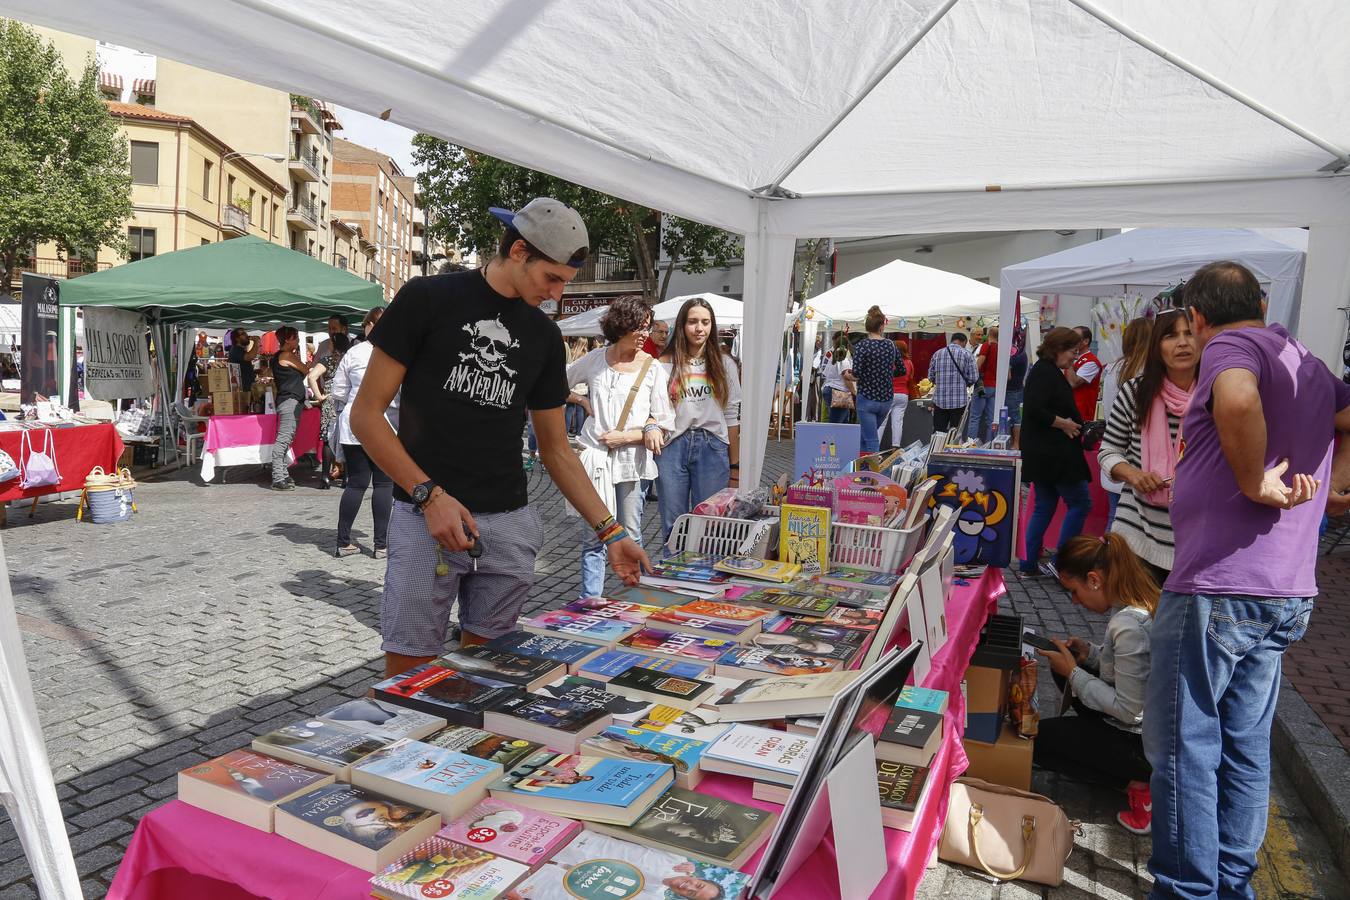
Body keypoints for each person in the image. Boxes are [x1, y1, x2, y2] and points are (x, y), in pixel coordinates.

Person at [351, 197, 649, 675]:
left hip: (509, 521)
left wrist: (611, 532)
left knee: (487, 674)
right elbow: (365, 416)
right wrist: (429, 496)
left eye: (564, 284)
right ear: (517, 251)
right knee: (408, 675)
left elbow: (554, 448)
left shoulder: (544, 337)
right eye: (550, 278)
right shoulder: (427, 298)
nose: (555, 295)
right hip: (425, 516)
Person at [1145, 261, 1350, 900]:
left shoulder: (1231, 345)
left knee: (1184, 745)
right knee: (1243, 741)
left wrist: (1253, 477)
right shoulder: (1304, 357)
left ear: (1199, 319)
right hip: (1283, 587)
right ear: (1261, 300)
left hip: (1219, 584)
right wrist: (1338, 484)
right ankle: (1232, 882)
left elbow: (1235, 396)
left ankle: (1188, 890)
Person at [1035, 533, 1156, 834]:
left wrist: (1075, 673)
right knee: (1065, 670)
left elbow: (1130, 711)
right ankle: (1112, 760)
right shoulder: (1134, 606)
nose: (1075, 601)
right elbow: (1131, 670)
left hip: (1142, 744)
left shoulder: (1128, 625)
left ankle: (1141, 784)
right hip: (1145, 731)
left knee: (1035, 743)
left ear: (1093, 580)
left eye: (1074, 591)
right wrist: (1089, 654)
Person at [566, 295, 674, 599]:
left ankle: (635, 599)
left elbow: (665, 417)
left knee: (631, 531)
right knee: (594, 536)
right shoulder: (595, 360)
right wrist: (582, 400)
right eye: (639, 328)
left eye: (648, 328)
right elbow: (558, 383)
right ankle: (591, 601)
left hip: (630, 460)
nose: (645, 334)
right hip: (596, 458)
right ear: (621, 326)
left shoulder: (651, 367)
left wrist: (641, 430)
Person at [1099, 310, 1197, 582]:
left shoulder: (1216, 395)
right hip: (1137, 533)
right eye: (1171, 335)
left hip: (1195, 540)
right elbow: (1108, 451)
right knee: (1131, 622)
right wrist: (1134, 475)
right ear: (1156, 346)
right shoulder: (1135, 392)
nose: (1182, 343)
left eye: (1189, 333)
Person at [656, 297, 741, 543]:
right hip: (672, 446)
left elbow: (732, 416)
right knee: (674, 525)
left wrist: (735, 466)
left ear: (712, 326)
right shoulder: (663, 364)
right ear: (682, 325)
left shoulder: (724, 364)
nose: (699, 328)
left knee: (712, 524)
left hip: (712, 447)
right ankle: (675, 579)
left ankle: (706, 578)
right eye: (693, 321)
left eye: (705, 322)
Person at [1019, 327, 1091, 576]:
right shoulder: (1045, 373)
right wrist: (1065, 423)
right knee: (1080, 502)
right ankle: (1062, 562)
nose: (1075, 356)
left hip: (1046, 453)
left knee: (1045, 505)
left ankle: (1029, 563)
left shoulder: (1047, 370)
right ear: (1059, 349)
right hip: (1055, 454)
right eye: (1073, 350)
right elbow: (1034, 409)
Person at [331, 307, 394, 558]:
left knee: (356, 484)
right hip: (385, 423)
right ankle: (381, 545)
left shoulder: (354, 352)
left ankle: (343, 541)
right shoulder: (396, 353)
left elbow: (338, 391)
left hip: (355, 423)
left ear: (367, 326)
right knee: (383, 484)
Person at [1098, 317, 1153, 531]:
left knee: (1115, 517)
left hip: (1115, 447)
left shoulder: (1113, 368)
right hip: (1138, 455)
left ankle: (1110, 561)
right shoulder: (1148, 372)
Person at [844, 306, 897, 455]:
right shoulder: (891, 345)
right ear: (881, 327)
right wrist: (884, 372)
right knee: (864, 437)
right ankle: (863, 471)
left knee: (871, 440)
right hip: (885, 399)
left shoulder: (862, 346)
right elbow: (901, 370)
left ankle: (873, 475)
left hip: (866, 398)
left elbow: (857, 373)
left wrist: (849, 375)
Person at [306, 332, 350, 490]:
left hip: (330, 400)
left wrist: (319, 396)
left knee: (327, 438)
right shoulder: (349, 360)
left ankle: (324, 477)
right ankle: (347, 478)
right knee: (346, 438)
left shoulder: (328, 360)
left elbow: (311, 376)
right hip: (346, 399)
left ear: (333, 344)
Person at [269, 326, 309, 491]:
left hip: (290, 401)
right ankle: (278, 477)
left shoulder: (282, 356)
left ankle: (283, 474)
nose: (298, 341)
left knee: (287, 438)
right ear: (287, 339)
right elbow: (305, 369)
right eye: (296, 338)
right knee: (284, 439)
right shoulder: (286, 355)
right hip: (289, 401)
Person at [927, 331, 978, 435]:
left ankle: (937, 450)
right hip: (959, 401)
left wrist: (941, 382)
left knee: (938, 433)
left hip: (940, 401)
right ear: (963, 342)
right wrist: (964, 382)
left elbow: (930, 377)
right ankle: (953, 450)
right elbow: (974, 377)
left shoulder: (937, 354)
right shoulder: (967, 354)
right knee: (955, 433)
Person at [967, 325, 999, 442]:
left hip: (983, 385)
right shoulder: (1001, 348)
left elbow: (978, 365)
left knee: (975, 417)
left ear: (988, 334)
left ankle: (971, 444)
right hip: (995, 386)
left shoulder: (987, 346)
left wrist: (970, 377)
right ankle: (990, 443)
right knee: (991, 419)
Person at [1066, 325, 1103, 421]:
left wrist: (1068, 360)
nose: (1070, 339)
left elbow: (1074, 383)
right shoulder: (1074, 357)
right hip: (1067, 409)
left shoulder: (1091, 362)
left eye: (1074, 337)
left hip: (1081, 414)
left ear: (1086, 341)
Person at [820, 332, 853, 424]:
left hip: (831, 389)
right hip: (838, 391)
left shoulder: (834, 356)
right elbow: (846, 376)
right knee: (838, 424)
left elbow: (824, 372)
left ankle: (837, 438)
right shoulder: (844, 358)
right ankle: (832, 439)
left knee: (840, 422)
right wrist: (855, 391)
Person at [886, 336, 911, 448]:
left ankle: (874, 450)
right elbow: (910, 378)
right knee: (897, 422)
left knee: (882, 422)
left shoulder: (889, 362)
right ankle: (895, 446)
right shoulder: (909, 363)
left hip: (889, 393)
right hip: (903, 395)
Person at [1007, 340, 1029, 450]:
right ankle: (1015, 443)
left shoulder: (1013, 354)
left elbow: (1008, 376)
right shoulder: (1021, 353)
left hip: (1012, 390)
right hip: (1017, 389)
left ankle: (1015, 444)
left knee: (1015, 418)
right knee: (1015, 417)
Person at [227, 328, 258, 392]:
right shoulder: (236, 349)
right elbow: (250, 356)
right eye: (243, 334)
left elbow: (242, 368)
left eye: (245, 333)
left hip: (245, 387)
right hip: (242, 389)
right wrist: (256, 342)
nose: (246, 335)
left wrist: (255, 371)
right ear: (237, 338)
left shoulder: (239, 349)